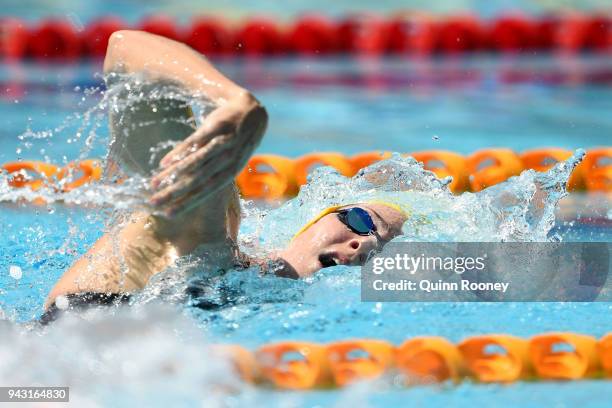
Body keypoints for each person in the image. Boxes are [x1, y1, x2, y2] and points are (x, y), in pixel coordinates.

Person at [43, 31, 407, 316]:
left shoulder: (243, 287)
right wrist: (235, 101)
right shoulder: (203, 227)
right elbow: (125, 49)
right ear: (315, 218)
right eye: (360, 221)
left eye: (382, 254)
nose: (366, 245)